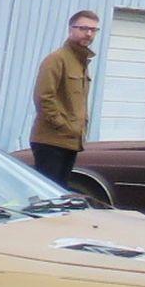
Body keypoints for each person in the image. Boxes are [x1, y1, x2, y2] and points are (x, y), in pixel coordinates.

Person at [29, 9, 99, 184]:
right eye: (83, 28)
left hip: (70, 142)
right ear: (71, 29)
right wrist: (64, 126)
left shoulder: (80, 61)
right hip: (51, 142)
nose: (88, 33)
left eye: (93, 30)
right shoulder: (57, 59)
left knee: (60, 195)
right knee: (48, 196)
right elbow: (43, 97)